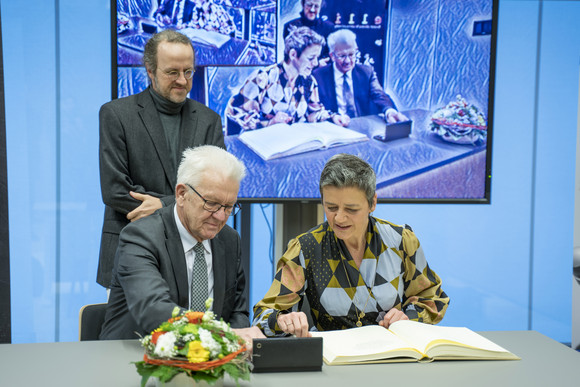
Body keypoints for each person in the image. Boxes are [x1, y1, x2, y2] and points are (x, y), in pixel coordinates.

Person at [253, 153, 449, 337]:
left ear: (372, 203)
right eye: (330, 208)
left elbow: (433, 298)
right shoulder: (305, 248)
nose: (339, 218)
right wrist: (282, 320)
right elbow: (261, 317)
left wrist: (408, 317)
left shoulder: (401, 240)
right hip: (332, 362)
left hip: (393, 357)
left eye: (351, 209)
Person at [97, 29, 225, 289]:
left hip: (191, 254)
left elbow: (217, 190)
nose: (182, 80)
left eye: (188, 72)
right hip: (131, 250)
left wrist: (161, 205)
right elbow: (115, 190)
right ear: (150, 70)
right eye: (172, 72)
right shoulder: (116, 115)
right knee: (128, 331)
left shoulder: (209, 120)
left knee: (194, 330)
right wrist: (181, 205)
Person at [100, 146, 264, 343]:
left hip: (210, 365)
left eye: (229, 207)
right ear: (181, 194)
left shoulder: (229, 240)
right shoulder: (140, 237)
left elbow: (238, 312)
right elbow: (154, 309)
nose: (221, 217)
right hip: (136, 361)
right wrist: (221, 334)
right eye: (211, 203)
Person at [225, 26, 349, 133]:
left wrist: (333, 117)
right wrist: (270, 123)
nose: (316, 63)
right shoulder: (263, 78)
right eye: (311, 58)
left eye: (317, 58)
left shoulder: (309, 81)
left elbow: (313, 113)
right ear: (293, 54)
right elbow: (236, 114)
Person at [313, 29, 409, 123]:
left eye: (351, 54)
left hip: (361, 127)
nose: (347, 61)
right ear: (332, 56)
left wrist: (389, 111)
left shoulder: (366, 72)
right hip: (333, 126)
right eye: (342, 56)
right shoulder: (318, 76)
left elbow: (379, 95)